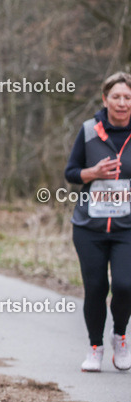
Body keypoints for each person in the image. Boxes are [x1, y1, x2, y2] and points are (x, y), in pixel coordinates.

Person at [64, 71, 131, 372]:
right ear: (105, 99)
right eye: (116, 96)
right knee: (95, 288)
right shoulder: (89, 130)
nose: (122, 102)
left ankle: (120, 336)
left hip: (126, 228)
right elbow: (71, 172)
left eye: (128, 97)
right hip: (89, 227)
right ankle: (95, 348)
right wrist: (93, 173)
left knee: (125, 285)